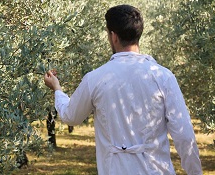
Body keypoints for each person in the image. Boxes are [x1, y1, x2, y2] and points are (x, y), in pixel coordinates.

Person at [44, 4, 203, 175]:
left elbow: (70, 116)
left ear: (113, 36)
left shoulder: (95, 78)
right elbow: (185, 137)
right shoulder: (163, 77)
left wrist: (57, 89)